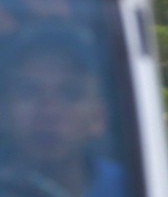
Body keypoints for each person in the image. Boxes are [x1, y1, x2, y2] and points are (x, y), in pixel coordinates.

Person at [0, 25, 125, 197]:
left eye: (70, 94)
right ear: (4, 114)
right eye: (28, 92)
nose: (49, 111)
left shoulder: (134, 184)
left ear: (99, 117)